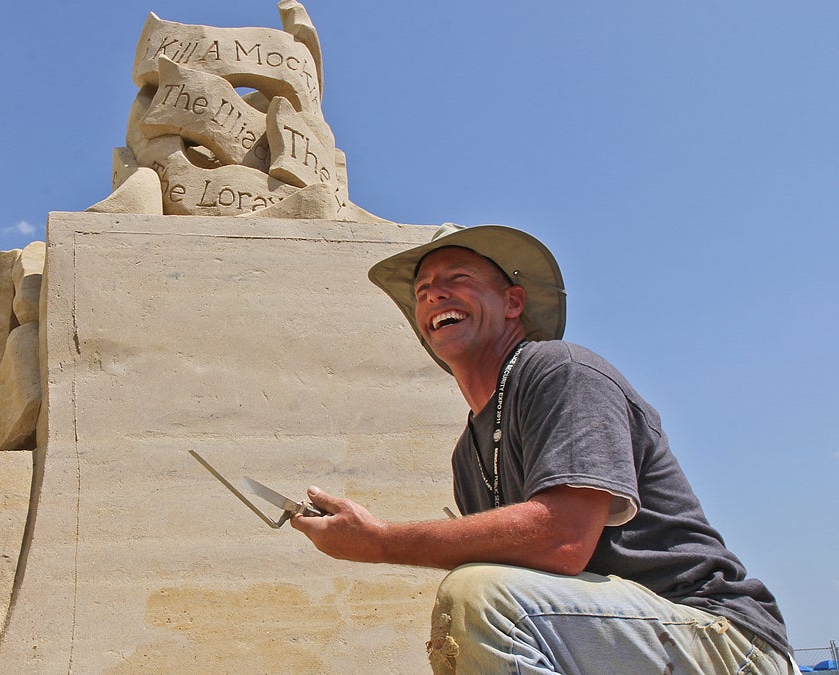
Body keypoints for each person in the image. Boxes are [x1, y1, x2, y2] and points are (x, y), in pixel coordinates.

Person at [290, 223, 793, 673]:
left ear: (513, 302)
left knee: (478, 595)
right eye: (422, 291)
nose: (434, 295)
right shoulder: (470, 452)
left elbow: (563, 540)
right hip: (614, 639)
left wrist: (379, 541)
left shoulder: (561, 370)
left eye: (458, 279)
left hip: (721, 639)